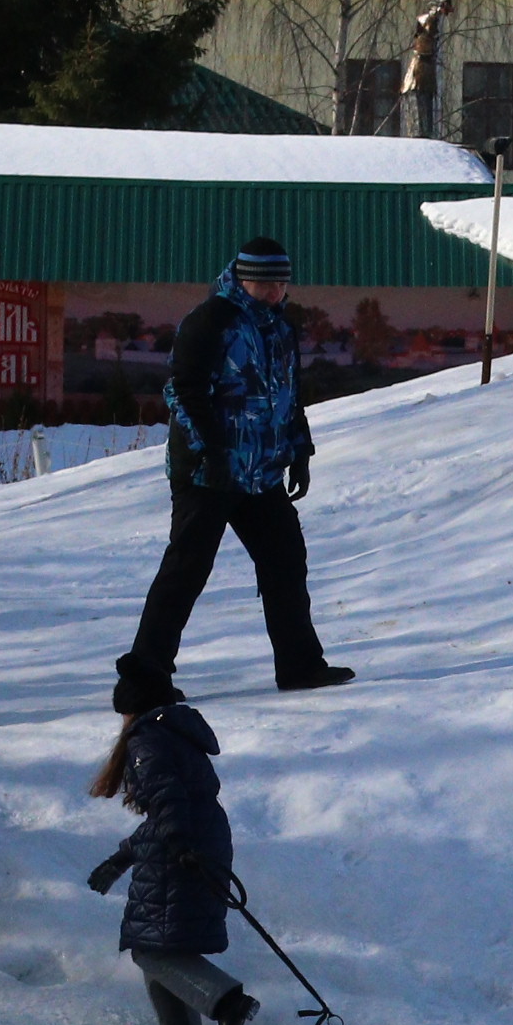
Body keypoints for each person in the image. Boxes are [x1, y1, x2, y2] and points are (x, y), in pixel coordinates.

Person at [115, 237, 351, 714]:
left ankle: (300, 665)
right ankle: (142, 681)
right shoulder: (211, 321)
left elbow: (289, 396)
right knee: (187, 568)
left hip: (259, 473)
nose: (274, 291)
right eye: (265, 283)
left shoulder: (280, 329)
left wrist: (299, 452)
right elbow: (183, 393)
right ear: (241, 278)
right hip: (207, 473)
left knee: (285, 560)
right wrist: (213, 453)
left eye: (281, 282)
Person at [82, 695, 260, 1025]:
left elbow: (167, 801)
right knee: (164, 945)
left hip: (179, 852)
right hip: (199, 841)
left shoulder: (146, 739)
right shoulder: (175, 734)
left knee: (150, 949)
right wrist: (123, 857)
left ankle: (227, 1002)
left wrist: (179, 843)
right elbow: (172, 807)